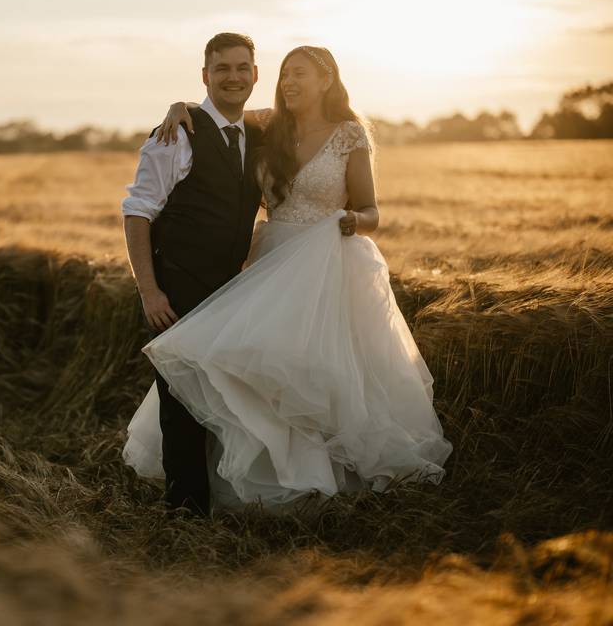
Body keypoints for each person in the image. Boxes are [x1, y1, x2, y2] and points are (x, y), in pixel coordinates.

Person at [122, 46, 452, 514]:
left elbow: (374, 210)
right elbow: (216, 108)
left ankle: (320, 478)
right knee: (254, 370)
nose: (290, 82)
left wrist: (353, 220)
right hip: (270, 260)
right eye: (285, 75)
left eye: (300, 74)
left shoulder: (348, 134)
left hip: (325, 264)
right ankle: (221, 485)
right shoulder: (270, 127)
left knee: (315, 373)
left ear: (327, 79)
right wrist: (180, 107)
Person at [121, 32, 264, 518]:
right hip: (176, 289)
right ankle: (184, 513)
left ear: (255, 75)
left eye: (242, 67)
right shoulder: (176, 134)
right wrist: (149, 291)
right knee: (181, 402)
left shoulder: (257, 134)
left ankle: (226, 499)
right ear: (205, 76)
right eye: (221, 69)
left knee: (224, 398)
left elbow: (301, 114)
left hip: (232, 290)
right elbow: (138, 212)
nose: (233, 77)